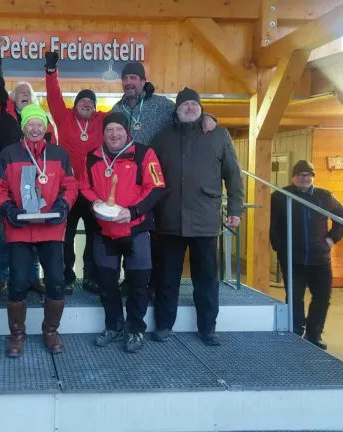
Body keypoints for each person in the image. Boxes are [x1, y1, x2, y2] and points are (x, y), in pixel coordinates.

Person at [110, 62, 218, 298]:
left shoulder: (162, 105)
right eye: (125, 78)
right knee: (131, 233)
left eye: (133, 78)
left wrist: (208, 116)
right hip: (129, 183)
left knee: (157, 237)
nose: (129, 82)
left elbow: (188, 115)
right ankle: (132, 281)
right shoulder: (116, 108)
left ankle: (154, 284)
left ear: (142, 80)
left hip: (160, 182)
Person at [151, 87, 244, 346]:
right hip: (168, 220)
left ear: (201, 108)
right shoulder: (161, 139)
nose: (190, 108)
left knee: (206, 279)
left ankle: (207, 328)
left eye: (194, 104)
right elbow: (149, 178)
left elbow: (233, 176)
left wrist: (235, 209)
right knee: (167, 278)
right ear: (177, 110)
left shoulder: (218, 135)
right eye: (185, 105)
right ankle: (163, 324)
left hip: (205, 220)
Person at [0, 104, 78, 357]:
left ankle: (51, 331)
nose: (36, 128)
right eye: (31, 124)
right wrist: (7, 208)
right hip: (19, 229)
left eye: (40, 124)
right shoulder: (9, 153)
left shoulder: (59, 154)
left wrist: (63, 205)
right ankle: (17, 335)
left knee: (56, 282)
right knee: (17, 283)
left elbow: (70, 186)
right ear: (24, 127)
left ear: (46, 127)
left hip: (51, 228)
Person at [80, 112, 165, 353]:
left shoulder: (143, 154)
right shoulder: (92, 157)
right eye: (109, 130)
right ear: (103, 133)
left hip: (136, 231)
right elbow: (84, 187)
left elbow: (157, 187)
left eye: (118, 129)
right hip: (104, 232)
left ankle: (135, 329)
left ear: (127, 131)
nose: (114, 134)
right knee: (107, 283)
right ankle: (114, 326)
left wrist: (134, 211)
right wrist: (96, 203)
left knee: (138, 285)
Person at [0, 36, 53, 297]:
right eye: (20, 92)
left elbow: (54, 150)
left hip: (38, 183)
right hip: (7, 180)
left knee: (36, 230)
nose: (25, 94)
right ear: (12, 98)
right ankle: (1, 277)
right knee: (6, 233)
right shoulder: (2, 112)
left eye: (29, 93)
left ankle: (33, 277)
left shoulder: (42, 120)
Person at [270, 160, 343, 350]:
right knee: (295, 296)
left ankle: (314, 333)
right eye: (300, 175)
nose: (304, 178)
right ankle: (295, 331)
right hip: (292, 258)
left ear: (313, 177)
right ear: (293, 177)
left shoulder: (324, 196)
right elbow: (272, 223)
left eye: (308, 175)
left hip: (319, 258)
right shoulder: (280, 196)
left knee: (322, 296)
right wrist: (279, 247)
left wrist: (331, 239)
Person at [44, 51, 102, 294]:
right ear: (76, 104)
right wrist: (51, 71)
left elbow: (126, 115)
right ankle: (67, 276)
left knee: (95, 237)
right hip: (67, 189)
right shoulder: (64, 117)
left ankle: (91, 277)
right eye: (82, 101)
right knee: (64, 237)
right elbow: (54, 96)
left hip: (93, 191)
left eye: (90, 102)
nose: (86, 104)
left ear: (95, 107)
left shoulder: (103, 119)